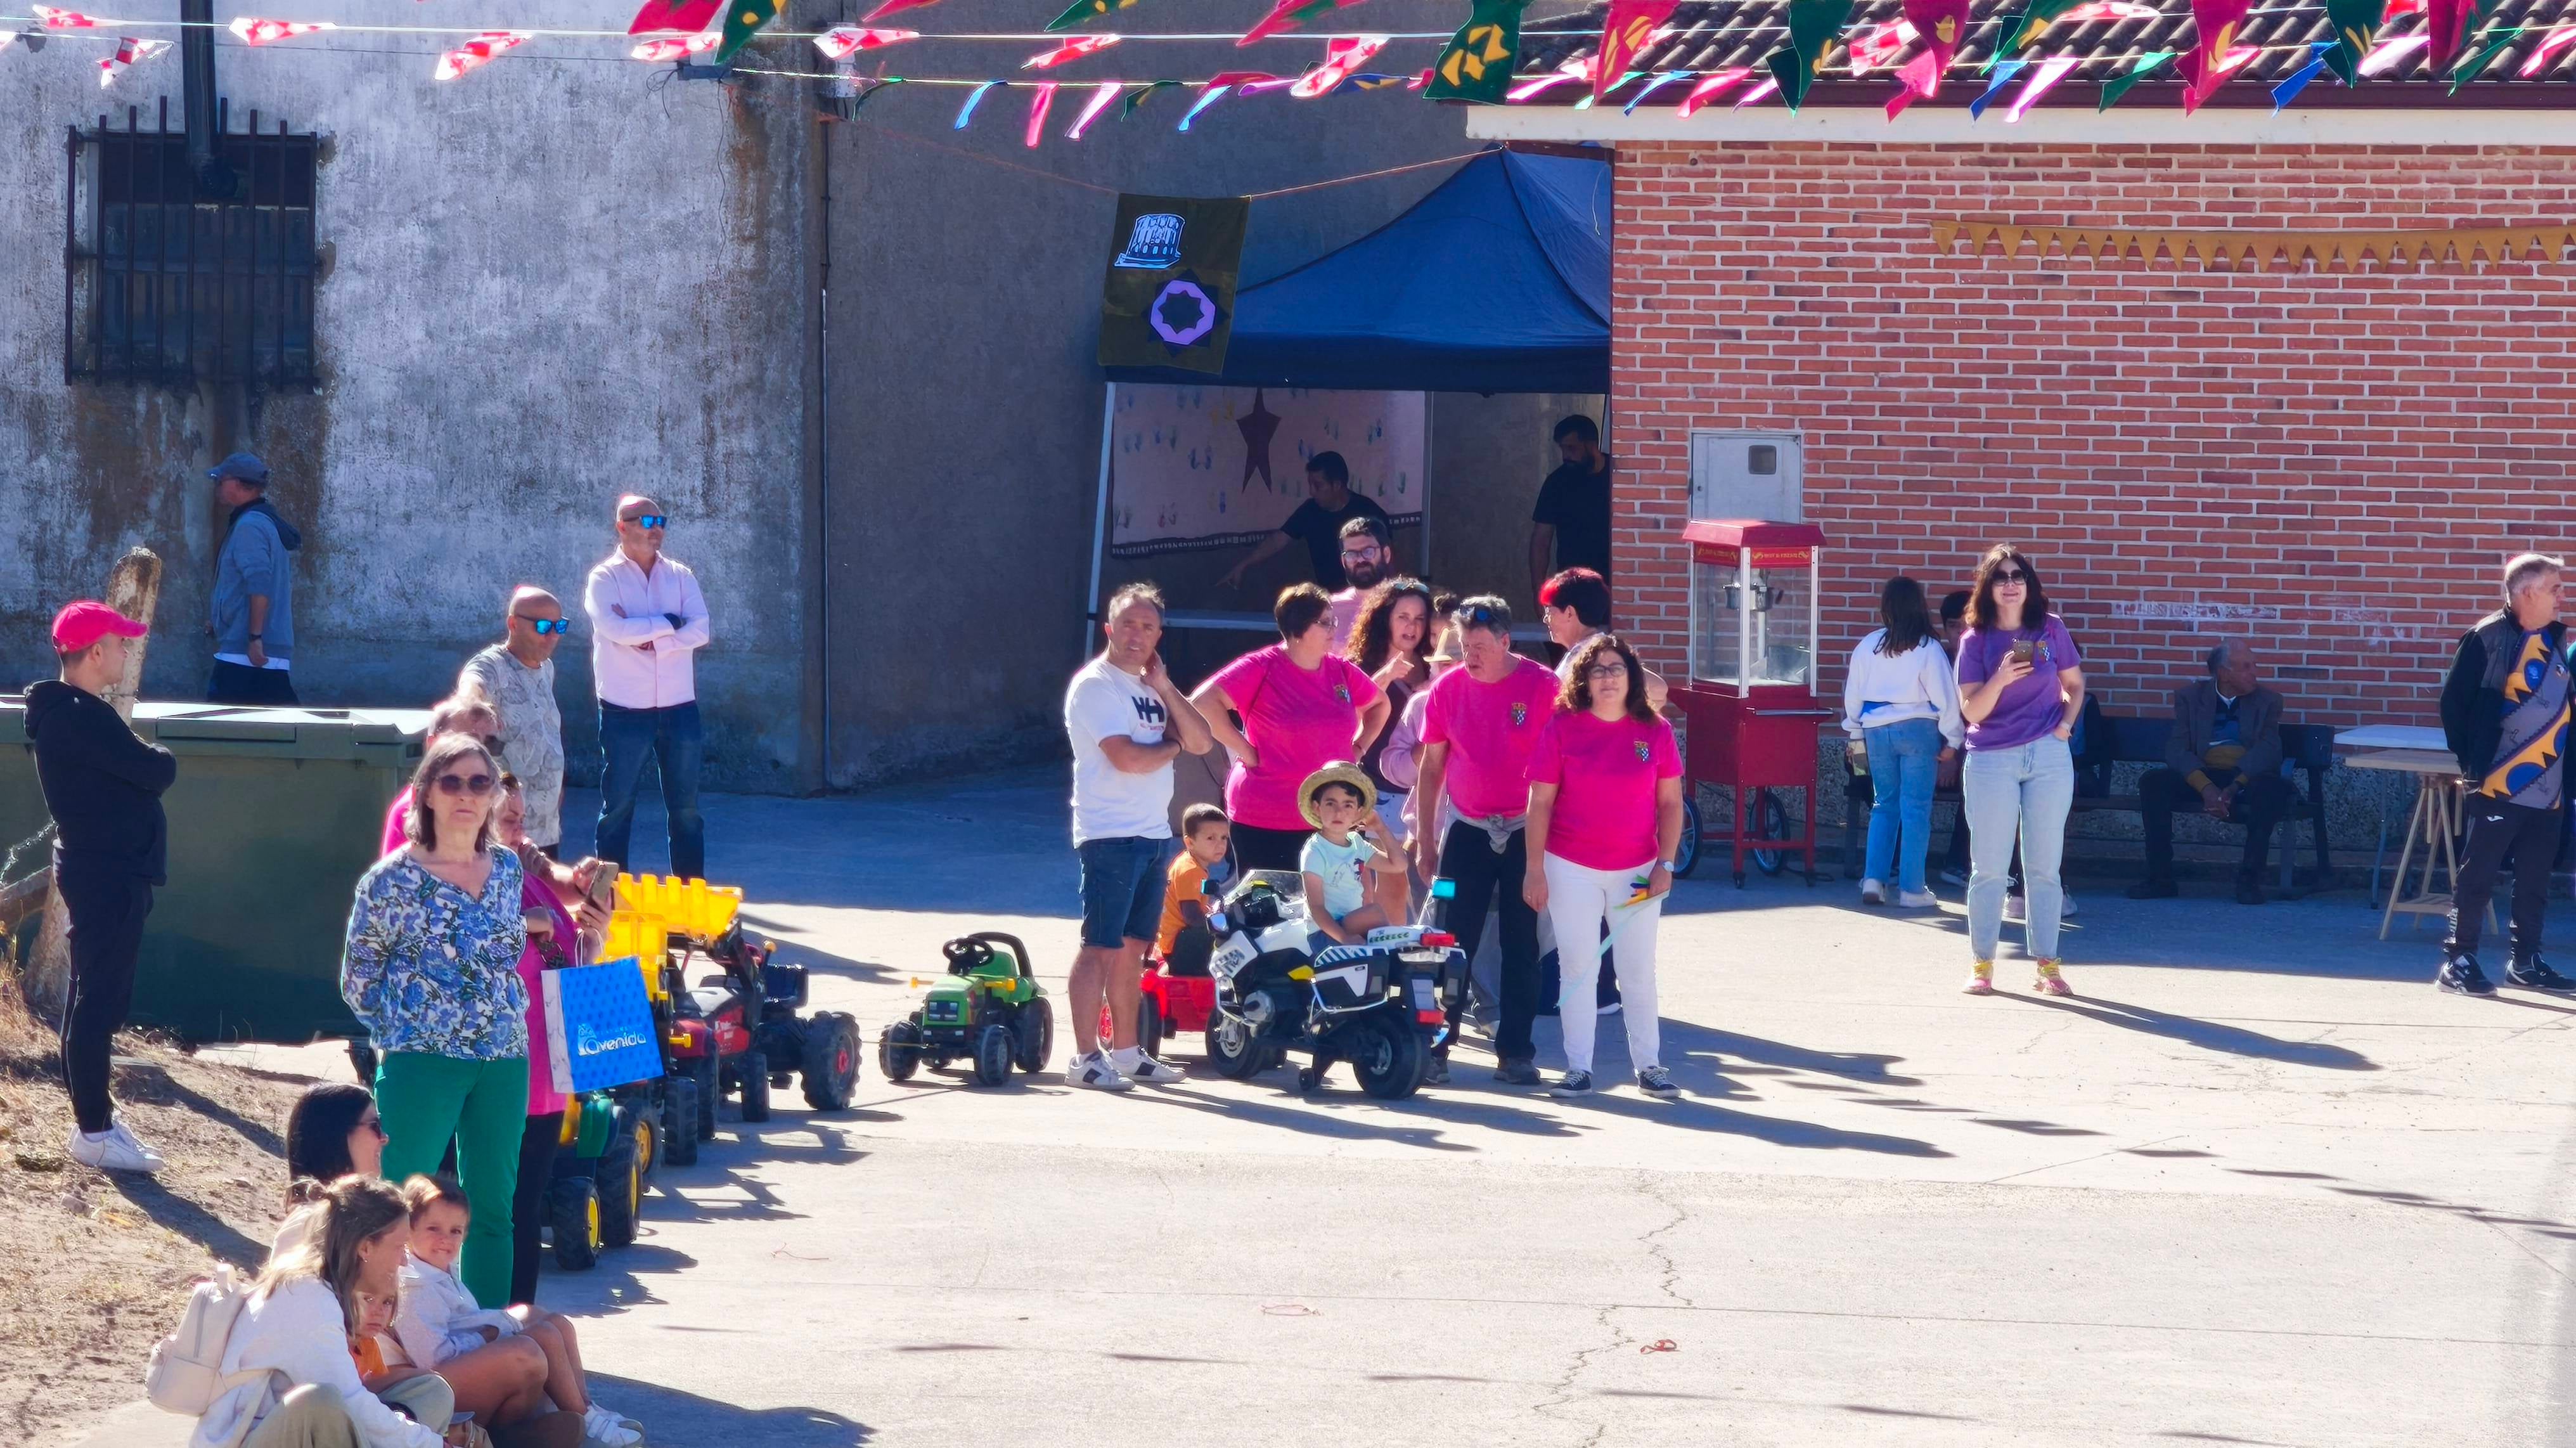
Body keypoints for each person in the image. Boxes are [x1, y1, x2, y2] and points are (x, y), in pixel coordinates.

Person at [340, 734, 530, 1309]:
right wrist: (412, 1031)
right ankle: (386, 1334)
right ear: (425, 793)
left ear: (495, 794)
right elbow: (358, 981)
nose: (467, 795)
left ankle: (488, 1333)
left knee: (492, 1210)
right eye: (452, 782)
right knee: (397, 1208)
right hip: (421, 1064)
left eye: (481, 782)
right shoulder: (390, 881)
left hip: (504, 1058)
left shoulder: (505, 869)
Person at [27, 601, 176, 1173]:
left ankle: (97, 1121)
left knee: (94, 999)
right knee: (96, 1003)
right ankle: (94, 1130)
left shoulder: (75, 712)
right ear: (94, 652)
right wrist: (155, 754)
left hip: (105, 870)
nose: (125, 650)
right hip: (106, 875)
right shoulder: (78, 715)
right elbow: (157, 770)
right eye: (118, 642)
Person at [192, 1176, 485, 1448]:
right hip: (247, 1440)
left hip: (313, 1428)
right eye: (399, 1247)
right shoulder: (306, 1297)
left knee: (430, 1391)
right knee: (320, 1403)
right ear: (366, 1248)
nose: (404, 1261)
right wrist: (434, 1444)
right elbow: (350, 1402)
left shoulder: (330, 1287)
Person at [1062, 583, 1214, 1091]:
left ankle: (1126, 1053)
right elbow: (1127, 758)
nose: (1137, 634)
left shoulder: (1151, 687)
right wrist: (1171, 745)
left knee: (1133, 951)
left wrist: (1168, 689)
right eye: (1128, 623)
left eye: (1148, 627)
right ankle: (1085, 1057)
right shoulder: (1095, 687)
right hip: (1109, 836)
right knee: (1099, 948)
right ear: (1109, 628)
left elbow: (1201, 740)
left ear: (1159, 636)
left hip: (1151, 836)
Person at [1524, 634, 1684, 1099]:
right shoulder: (1562, 728)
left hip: (1637, 870)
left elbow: (1671, 802)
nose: (1608, 678)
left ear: (1632, 676)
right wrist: (1535, 869)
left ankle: (1650, 1066)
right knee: (1577, 967)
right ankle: (1578, 1068)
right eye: (1598, 670)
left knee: (1637, 970)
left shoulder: (1654, 731)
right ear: (1584, 681)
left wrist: (1666, 864)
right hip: (1570, 866)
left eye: (1616, 668)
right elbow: (1540, 803)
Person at [1410, 596, 1562, 1087]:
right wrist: (1426, 839)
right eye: (1463, 646)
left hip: (1525, 831)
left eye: (1479, 647)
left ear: (1505, 642)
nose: (1470, 656)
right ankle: (1436, 1048)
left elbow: (1566, 765)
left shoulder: (1543, 686)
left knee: (1522, 942)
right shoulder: (1448, 690)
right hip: (1467, 832)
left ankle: (1516, 1052)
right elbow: (1431, 767)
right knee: (1450, 940)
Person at [392, 1175, 639, 1446]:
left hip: (458, 1365)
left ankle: (586, 1408)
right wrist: (487, 1337)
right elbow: (432, 1359)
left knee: (550, 1321)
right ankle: (583, 1421)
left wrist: (493, 1330)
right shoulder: (415, 1286)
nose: (446, 1240)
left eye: (456, 1231)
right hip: (433, 1388)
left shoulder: (440, 1269)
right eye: (434, 1229)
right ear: (409, 1230)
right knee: (537, 1339)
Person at [2435, 553, 2574, 996]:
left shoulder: (2554, 640)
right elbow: (2453, 707)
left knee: (2535, 879)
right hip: (2499, 784)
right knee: (2479, 875)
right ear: (2527, 592)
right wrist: (2473, 766)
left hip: (2549, 789)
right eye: (2555, 587)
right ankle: (2458, 961)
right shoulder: (2487, 637)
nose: (2562, 596)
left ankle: (2526, 961)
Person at [1955, 546, 2085, 999]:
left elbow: (2075, 683)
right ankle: (1982, 965)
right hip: (1992, 758)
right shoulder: (1976, 641)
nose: (2011, 584)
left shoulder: (2051, 629)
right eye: (2001, 577)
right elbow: (1972, 710)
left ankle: (2048, 966)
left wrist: (2066, 725)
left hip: (2048, 754)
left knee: (2044, 867)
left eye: (2019, 576)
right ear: (1987, 587)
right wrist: (2001, 677)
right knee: (1989, 868)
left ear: (2029, 585)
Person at [1192, 585, 1388, 872]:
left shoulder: (1340, 670)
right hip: (1266, 816)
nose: (1334, 628)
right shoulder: (1262, 666)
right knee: (1268, 911)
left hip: (1329, 818)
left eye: (1333, 621)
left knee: (1328, 910)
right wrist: (1246, 750)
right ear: (1297, 627)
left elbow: (1379, 704)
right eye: (1324, 622)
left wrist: (1358, 748)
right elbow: (1202, 703)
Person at [585, 495, 711, 881]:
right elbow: (614, 630)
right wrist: (671, 623)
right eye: (646, 520)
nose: (656, 528)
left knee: (686, 810)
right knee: (618, 808)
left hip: (679, 708)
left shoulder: (680, 575)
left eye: (661, 520)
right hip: (625, 710)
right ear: (622, 526)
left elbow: (701, 630)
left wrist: (651, 637)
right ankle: (611, 901)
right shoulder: (604, 578)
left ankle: (690, 902)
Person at [2129, 640, 2295, 905]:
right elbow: (2177, 748)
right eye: (2245, 667)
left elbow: (2269, 750)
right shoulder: (2190, 698)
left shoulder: (2268, 701)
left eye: (2254, 666)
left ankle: (2249, 882)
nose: (2255, 673)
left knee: (2272, 791)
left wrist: (2233, 788)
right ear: (2224, 673)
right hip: (2204, 773)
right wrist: (2205, 787)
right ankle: (2160, 878)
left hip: (2246, 777)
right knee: (2153, 783)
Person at [1841, 577, 1963, 908]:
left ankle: (1873, 879)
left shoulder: (1868, 646)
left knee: (1884, 804)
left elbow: (1853, 696)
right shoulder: (1928, 648)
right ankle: (1912, 888)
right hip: (1919, 729)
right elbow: (1945, 699)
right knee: (1916, 809)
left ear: (1886, 609)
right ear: (1919, 607)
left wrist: (1854, 734)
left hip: (1875, 730)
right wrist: (1953, 739)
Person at [460, 588, 569, 858]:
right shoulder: (493, 666)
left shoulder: (547, 669)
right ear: (513, 624)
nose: (553, 635)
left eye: (560, 626)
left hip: (546, 830)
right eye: (543, 626)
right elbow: (472, 686)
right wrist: (472, 705)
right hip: (507, 836)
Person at [1218, 451, 1392, 593]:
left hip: (1370, 597)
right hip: (1331, 599)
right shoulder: (1310, 511)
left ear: (1337, 485)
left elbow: (1391, 559)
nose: (1312, 492)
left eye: (1318, 486)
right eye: (1310, 485)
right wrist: (1244, 564)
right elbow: (1278, 540)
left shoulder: (1369, 513)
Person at [207, 452, 304, 706]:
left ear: (239, 485)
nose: (217, 486)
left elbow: (259, 584)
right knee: (276, 731)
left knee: (220, 734)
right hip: (252, 649)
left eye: (221, 480)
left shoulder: (250, 526)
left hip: (247, 654)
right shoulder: (259, 521)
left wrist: (254, 639)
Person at [1346, 578, 1434, 843]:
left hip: (1424, 795)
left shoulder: (1436, 664)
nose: (1412, 626)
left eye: (1420, 618)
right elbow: (1349, 717)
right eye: (1403, 617)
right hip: (1377, 793)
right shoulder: (1360, 666)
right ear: (1385, 619)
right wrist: (1385, 677)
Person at [1298, 766, 1410, 945]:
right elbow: (1316, 907)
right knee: (1375, 913)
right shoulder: (1315, 851)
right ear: (1317, 808)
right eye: (1330, 804)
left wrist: (1380, 828)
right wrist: (1345, 939)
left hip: (1353, 925)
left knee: (1375, 918)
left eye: (1348, 805)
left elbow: (1398, 865)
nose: (1339, 812)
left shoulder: (1357, 843)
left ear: (1359, 812)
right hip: (1327, 933)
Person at [380, 695, 503, 855]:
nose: (479, 752)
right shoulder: (411, 809)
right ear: (433, 744)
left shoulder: (491, 798)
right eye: (465, 741)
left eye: (491, 744)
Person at [1539, 569, 1667, 709]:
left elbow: (1659, 689)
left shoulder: (1598, 652)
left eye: (1550, 612)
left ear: (1569, 613)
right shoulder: (1583, 651)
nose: (1546, 619)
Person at [1528, 416, 1613, 603]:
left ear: (1592, 445)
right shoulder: (1557, 483)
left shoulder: (1616, 477)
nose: (1566, 456)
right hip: (1573, 588)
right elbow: (1541, 541)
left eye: (1572, 448)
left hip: (1616, 585)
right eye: (1563, 448)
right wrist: (1539, 592)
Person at [1154, 805, 1232, 978]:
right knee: (1231, 950)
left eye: (1224, 838)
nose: (1220, 844)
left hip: (1176, 941)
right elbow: (1192, 916)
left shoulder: (1191, 863)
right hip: (1182, 944)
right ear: (1190, 842)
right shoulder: (1190, 871)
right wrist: (1223, 925)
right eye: (1211, 838)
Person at [1327, 517, 1395, 649]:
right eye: (1352, 554)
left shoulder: (1407, 606)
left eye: (1368, 552)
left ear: (1386, 554)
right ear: (1343, 561)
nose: (1360, 560)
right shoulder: (1329, 609)